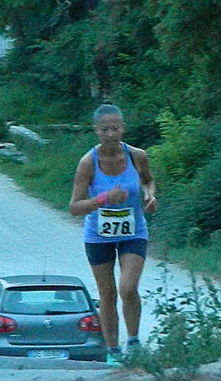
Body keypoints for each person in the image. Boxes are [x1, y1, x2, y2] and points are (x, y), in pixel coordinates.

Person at [69, 104, 158, 365]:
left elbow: (148, 180)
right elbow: (74, 207)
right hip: (99, 234)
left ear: (123, 128)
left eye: (115, 128)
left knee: (128, 288)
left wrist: (150, 196)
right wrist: (104, 198)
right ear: (96, 131)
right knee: (107, 293)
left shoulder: (136, 156)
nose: (111, 134)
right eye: (105, 129)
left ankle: (133, 342)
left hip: (133, 230)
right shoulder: (88, 163)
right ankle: (113, 351)